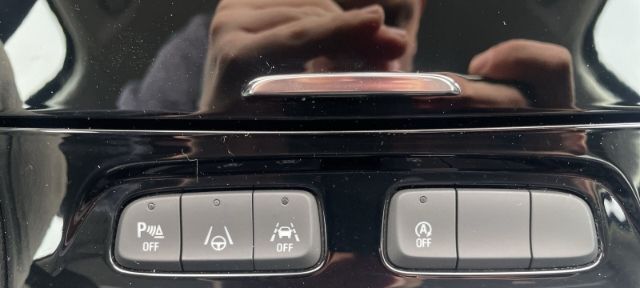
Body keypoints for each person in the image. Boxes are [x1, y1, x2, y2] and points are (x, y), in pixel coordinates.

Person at [119, 0, 575, 113]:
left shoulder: (472, 91)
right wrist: (209, 152)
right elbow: (110, 206)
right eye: (322, 16)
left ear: (418, 16)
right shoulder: (208, 53)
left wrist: (557, 166)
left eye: (388, 21)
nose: (358, 58)